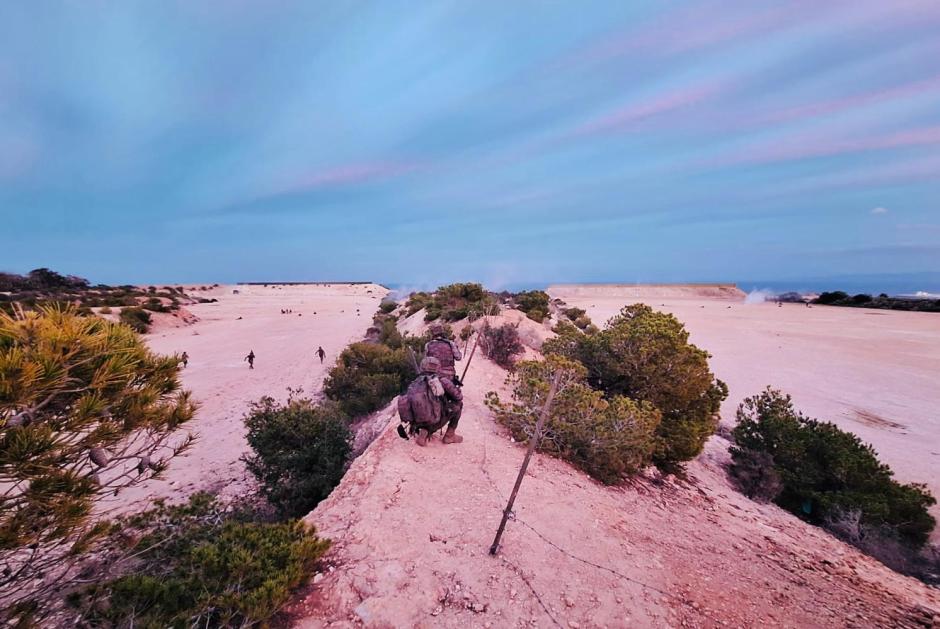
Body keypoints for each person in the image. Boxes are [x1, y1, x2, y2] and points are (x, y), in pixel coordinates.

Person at [398, 356, 463, 446]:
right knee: (458, 405)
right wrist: (455, 389)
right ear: (438, 367)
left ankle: (423, 430)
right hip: (434, 420)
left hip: (416, 423)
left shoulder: (414, 382)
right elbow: (459, 397)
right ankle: (449, 435)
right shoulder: (442, 381)